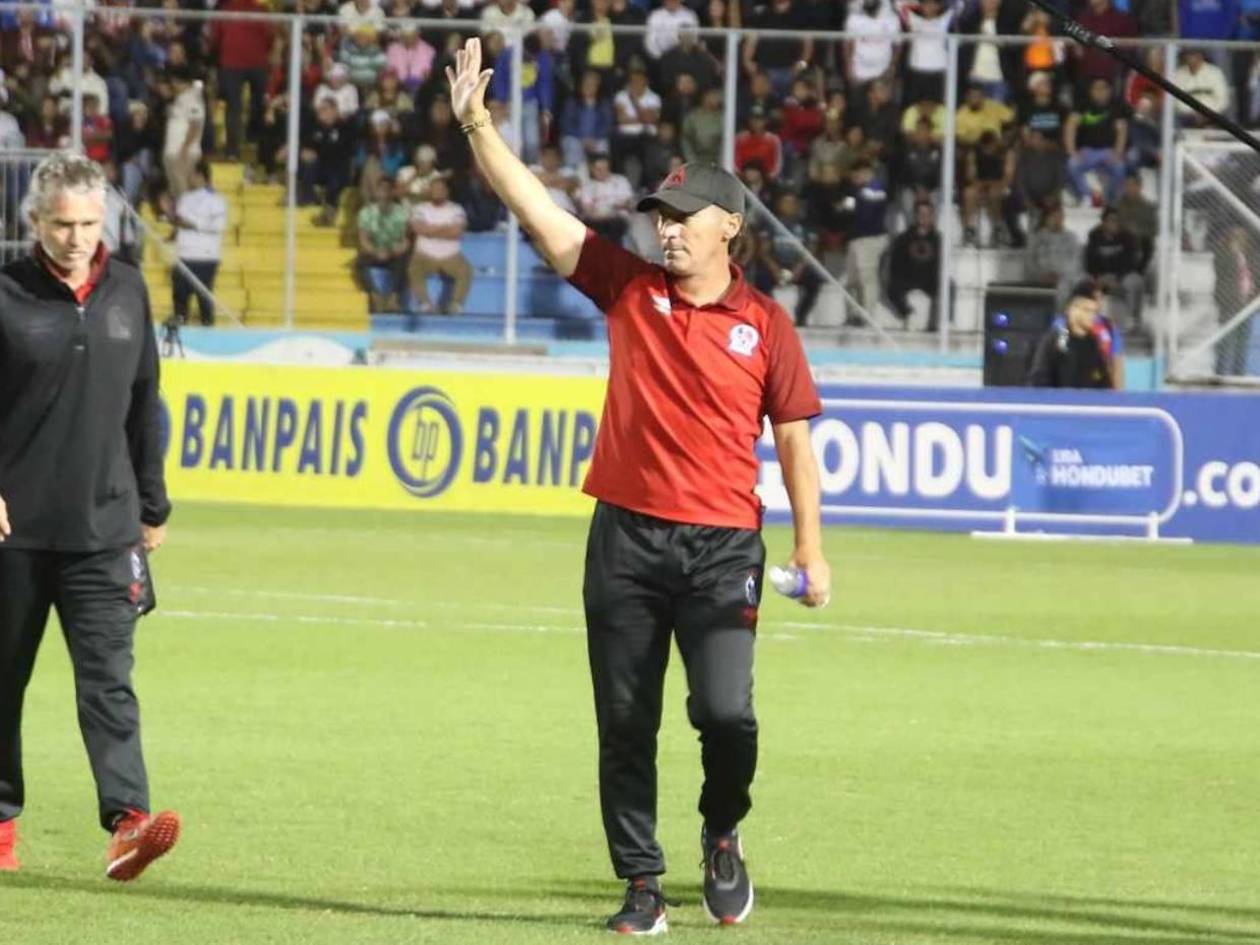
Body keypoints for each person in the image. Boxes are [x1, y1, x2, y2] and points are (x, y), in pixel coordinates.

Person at [445, 36, 831, 934]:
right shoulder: (627, 288)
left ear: (728, 226)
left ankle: (722, 831)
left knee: (726, 714)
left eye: (684, 216)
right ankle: (642, 883)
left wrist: (811, 547)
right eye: (661, 214)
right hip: (623, 538)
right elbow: (542, 214)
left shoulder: (767, 324)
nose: (667, 228)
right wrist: (478, 128)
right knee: (625, 721)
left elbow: (795, 440)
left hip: (723, 546)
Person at [0, 151, 179, 879]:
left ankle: (129, 823)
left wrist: (152, 505)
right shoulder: (6, 292)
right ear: (34, 221)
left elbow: (145, 404)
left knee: (108, 681)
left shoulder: (129, 289)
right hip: (12, 532)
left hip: (105, 528)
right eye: (61, 224)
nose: (75, 238)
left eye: (87, 224)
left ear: (104, 219)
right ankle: (0, 826)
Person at [1027, 279, 1125, 388]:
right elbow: (1039, 380)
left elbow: (1104, 382)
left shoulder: (1093, 343)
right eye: (1087, 310)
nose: (1092, 316)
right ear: (1074, 309)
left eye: (1094, 312)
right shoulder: (1059, 337)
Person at [169, 161, 227, 326]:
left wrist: (193, 224)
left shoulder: (216, 200)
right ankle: (179, 333)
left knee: (204, 301)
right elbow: (179, 222)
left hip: (205, 257)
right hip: (183, 256)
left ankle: (208, 333)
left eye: (192, 175)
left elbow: (218, 226)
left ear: (201, 176)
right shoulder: (184, 198)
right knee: (179, 300)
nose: (189, 178)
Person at [407, 176, 472, 315]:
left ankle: (456, 304)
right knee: (413, 269)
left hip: (451, 256)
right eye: (434, 189)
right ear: (429, 191)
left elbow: (457, 232)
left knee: (466, 271)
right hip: (424, 255)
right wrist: (445, 228)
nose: (437, 192)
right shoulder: (420, 208)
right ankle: (425, 303)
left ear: (447, 191)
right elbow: (418, 229)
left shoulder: (456, 209)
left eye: (441, 189)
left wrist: (430, 230)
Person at [356, 176, 410, 312]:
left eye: (387, 189)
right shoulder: (366, 212)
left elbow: (405, 240)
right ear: (376, 192)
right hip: (374, 251)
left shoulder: (401, 212)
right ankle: (375, 296)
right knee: (359, 262)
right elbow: (363, 240)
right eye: (380, 189)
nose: (384, 193)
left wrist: (393, 251)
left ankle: (393, 298)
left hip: (393, 252)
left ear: (392, 192)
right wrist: (376, 252)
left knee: (406, 261)